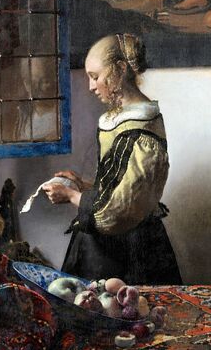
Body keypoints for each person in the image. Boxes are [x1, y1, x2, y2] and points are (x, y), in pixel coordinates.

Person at [43, 33, 182, 284]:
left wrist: (72, 196)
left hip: (127, 250)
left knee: (119, 303)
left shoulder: (141, 130)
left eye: (95, 76)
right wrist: (83, 184)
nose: (91, 86)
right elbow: (118, 183)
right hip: (107, 243)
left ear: (120, 69)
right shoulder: (120, 119)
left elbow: (119, 210)